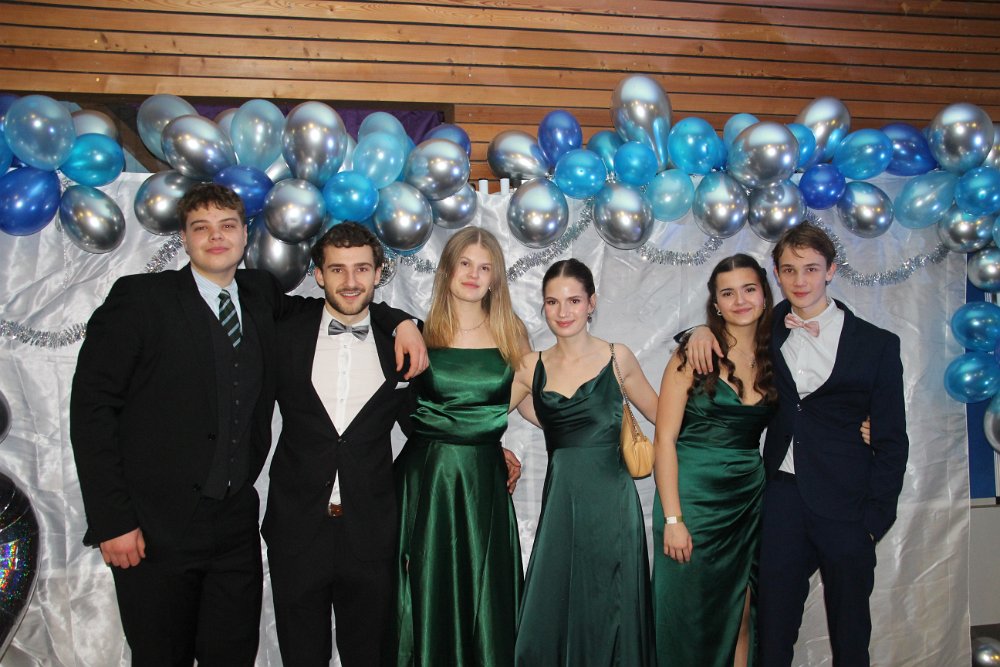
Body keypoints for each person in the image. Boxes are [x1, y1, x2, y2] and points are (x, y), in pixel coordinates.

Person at [69, 184, 425, 665]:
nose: (216, 237)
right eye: (202, 228)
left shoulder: (261, 294)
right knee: (160, 655)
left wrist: (402, 321)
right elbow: (92, 409)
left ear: (244, 233)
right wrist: (113, 520)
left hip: (236, 526)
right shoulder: (140, 299)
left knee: (234, 653)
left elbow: (342, 306)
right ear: (183, 238)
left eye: (227, 225)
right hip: (157, 526)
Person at [685, 222, 908, 666]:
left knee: (850, 636)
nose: (800, 280)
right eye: (789, 270)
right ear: (777, 274)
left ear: (831, 271)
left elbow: (892, 440)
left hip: (848, 505)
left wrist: (873, 521)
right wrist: (697, 331)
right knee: (773, 630)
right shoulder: (766, 328)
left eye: (811, 269)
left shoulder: (877, 345)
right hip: (781, 499)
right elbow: (724, 328)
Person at [262, 223, 421, 666]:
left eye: (362, 269)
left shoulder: (404, 342)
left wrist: (487, 448)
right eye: (337, 269)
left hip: (371, 532)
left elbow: (425, 427)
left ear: (378, 273)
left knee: (369, 656)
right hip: (297, 530)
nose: (350, 281)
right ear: (318, 275)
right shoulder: (284, 333)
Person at [393, 226, 529, 667]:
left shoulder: (513, 335)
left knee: (484, 595)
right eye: (465, 264)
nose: (473, 274)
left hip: (483, 482)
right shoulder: (420, 331)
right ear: (447, 270)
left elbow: (531, 403)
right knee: (426, 588)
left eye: (484, 267)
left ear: (495, 278)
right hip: (429, 481)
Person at [512, 258, 658, 666]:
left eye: (573, 300)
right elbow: (480, 418)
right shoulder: (531, 365)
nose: (563, 312)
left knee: (613, 606)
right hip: (562, 503)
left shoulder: (617, 357)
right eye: (552, 302)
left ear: (591, 303)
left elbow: (664, 417)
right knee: (554, 607)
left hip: (613, 503)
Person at [653, 253, 778, 667]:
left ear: (764, 294)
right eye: (728, 293)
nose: (740, 301)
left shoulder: (779, 354)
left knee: (740, 614)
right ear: (716, 303)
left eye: (749, 289)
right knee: (686, 619)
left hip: (748, 502)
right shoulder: (692, 356)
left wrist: (863, 424)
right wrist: (673, 519)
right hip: (691, 501)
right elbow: (664, 440)